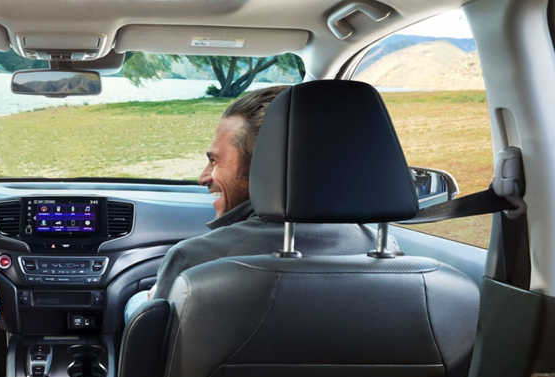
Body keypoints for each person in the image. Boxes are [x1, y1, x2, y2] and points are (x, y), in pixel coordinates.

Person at [124, 84, 401, 322]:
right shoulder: (386, 252)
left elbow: (153, 358)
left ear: (264, 169)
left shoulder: (195, 259)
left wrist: (144, 301)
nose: (203, 177)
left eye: (215, 160)